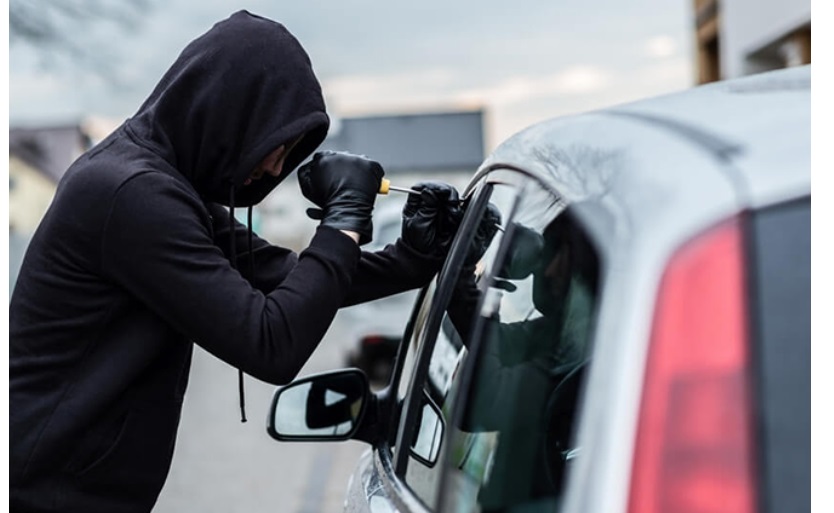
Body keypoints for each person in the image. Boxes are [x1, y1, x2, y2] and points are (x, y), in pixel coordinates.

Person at [9, 11, 462, 513]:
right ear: (229, 111)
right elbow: (270, 343)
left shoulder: (161, 186)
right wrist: (342, 223)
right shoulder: (130, 194)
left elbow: (287, 279)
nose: (274, 166)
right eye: (276, 145)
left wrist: (412, 258)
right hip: (44, 495)